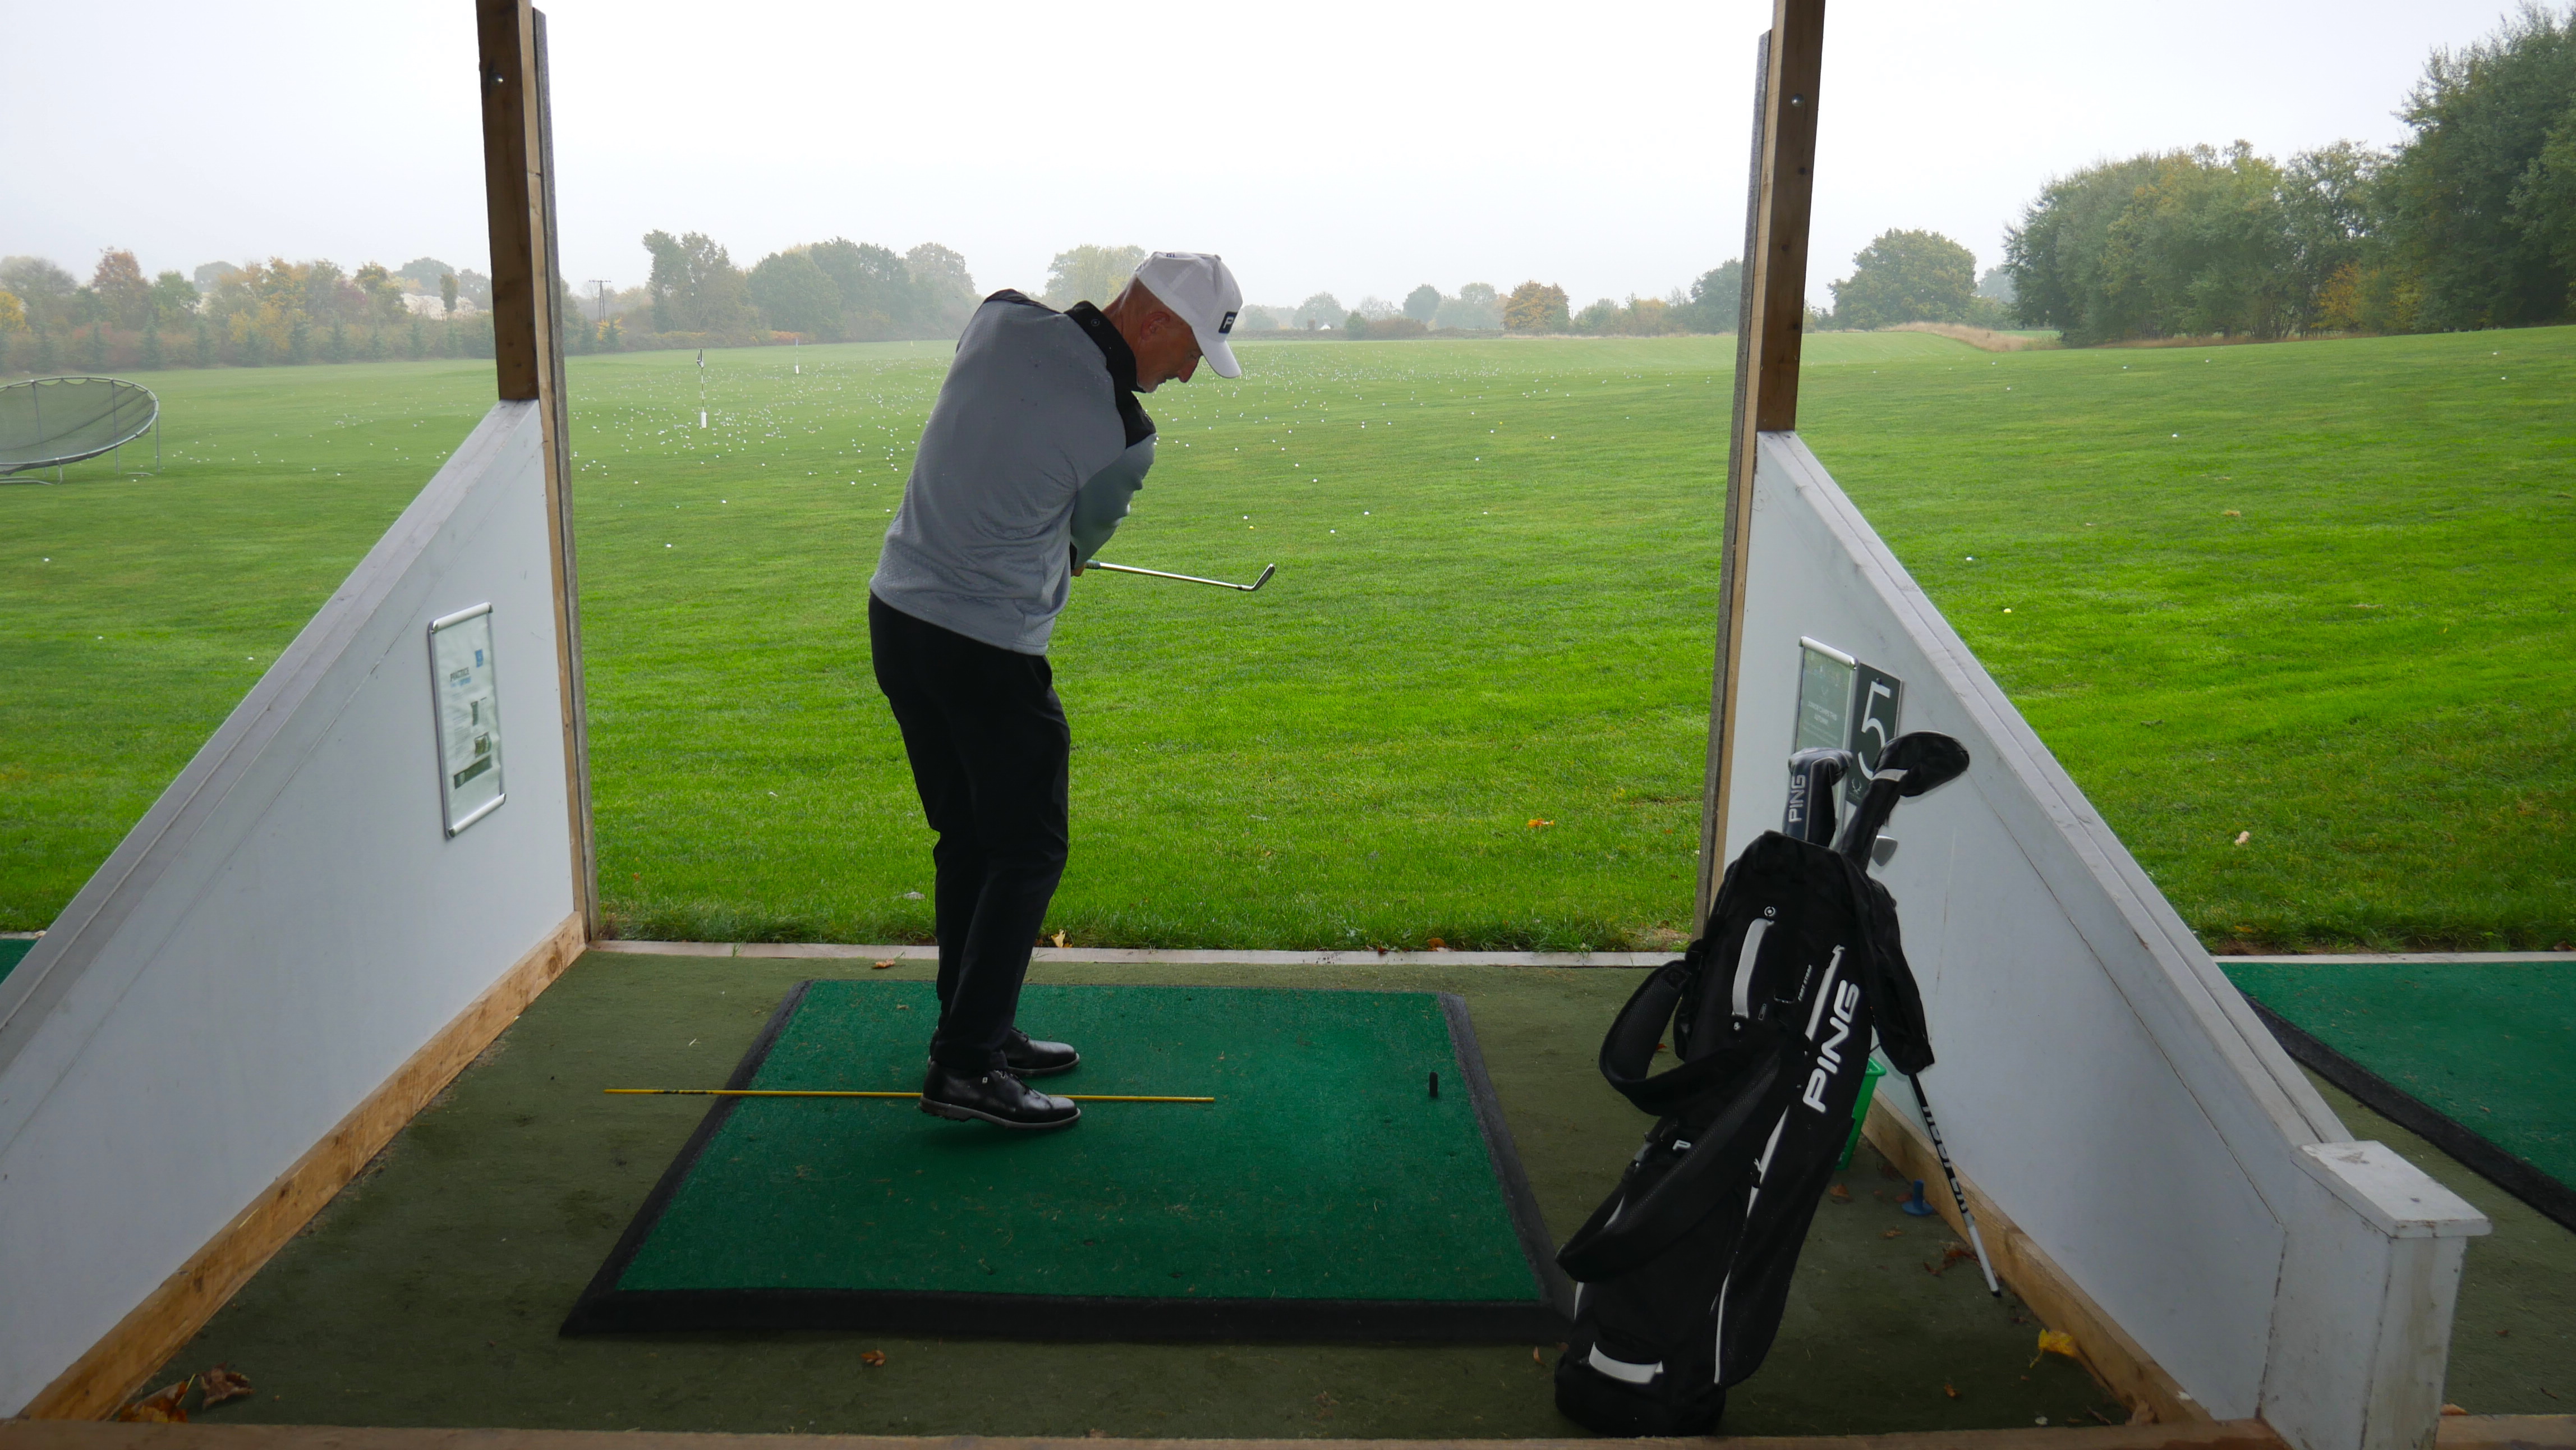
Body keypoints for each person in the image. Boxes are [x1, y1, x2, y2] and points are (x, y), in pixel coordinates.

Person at [866, 252, 1244, 1130]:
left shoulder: (998, 317)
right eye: (1191, 351)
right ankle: (965, 1068)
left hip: (898, 618)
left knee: (967, 836)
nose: (1188, 373)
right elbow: (1078, 545)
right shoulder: (1126, 432)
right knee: (1028, 849)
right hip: (986, 651)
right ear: (1152, 321)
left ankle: (973, 1029)